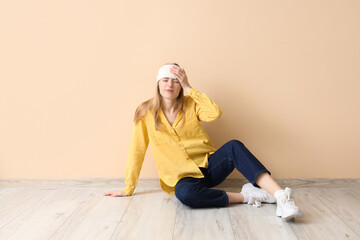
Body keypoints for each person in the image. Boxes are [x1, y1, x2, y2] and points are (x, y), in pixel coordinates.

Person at [103, 63, 304, 221]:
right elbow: (136, 150)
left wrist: (190, 89)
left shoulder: (191, 104)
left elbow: (214, 113)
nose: (169, 85)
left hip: (209, 167)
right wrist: (129, 187)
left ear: (180, 83)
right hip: (183, 179)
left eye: (175, 80)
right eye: (165, 80)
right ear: (157, 83)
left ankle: (281, 197)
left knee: (234, 146)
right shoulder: (145, 112)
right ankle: (250, 196)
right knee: (185, 195)